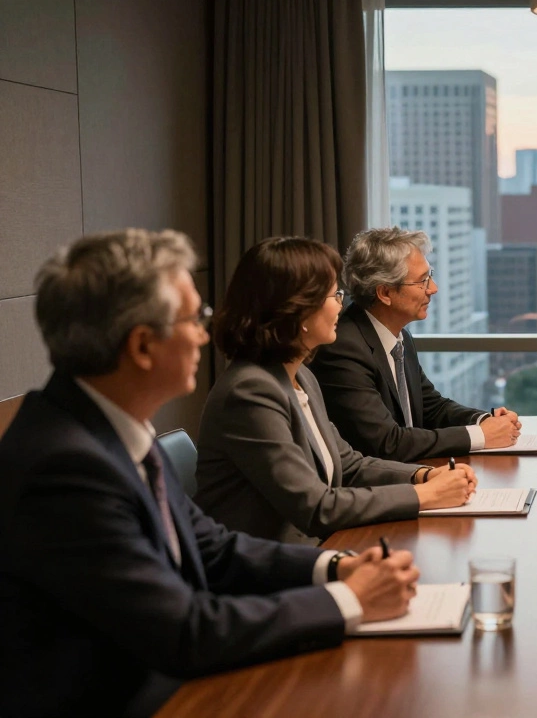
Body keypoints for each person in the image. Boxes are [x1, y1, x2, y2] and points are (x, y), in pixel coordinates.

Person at [0, 229, 421, 717]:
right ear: (141, 346)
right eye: (192, 318)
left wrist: (334, 567)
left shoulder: (107, 425)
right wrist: (348, 600)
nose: (205, 333)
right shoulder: (64, 467)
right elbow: (185, 632)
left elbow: (212, 549)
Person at [194, 237, 476, 545]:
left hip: (315, 549)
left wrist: (422, 476)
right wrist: (424, 494)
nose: (342, 304)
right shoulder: (249, 392)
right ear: (297, 310)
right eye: (334, 294)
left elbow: (350, 465)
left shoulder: (300, 375)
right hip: (270, 569)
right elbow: (317, 507)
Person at [310, 227, 520, 461]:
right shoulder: (343, 348)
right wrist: (480, 436)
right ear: (385, 292)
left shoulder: (400, 337)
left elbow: (432, 407)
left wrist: (485, 421)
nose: (433, 288)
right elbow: (387, 443)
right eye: (423, 281)